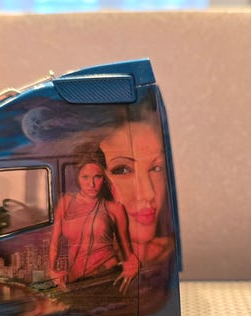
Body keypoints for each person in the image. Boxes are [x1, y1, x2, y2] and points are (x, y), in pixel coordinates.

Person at [49, 156, 138, 293]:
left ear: (104, 179)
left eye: (97, 177)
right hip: (76, 278)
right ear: (78, 179)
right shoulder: (65, 203)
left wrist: (134, 264)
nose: (91, 184)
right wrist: (52, 270)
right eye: (85, 177)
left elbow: (127, 249)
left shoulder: (115, 208)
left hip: (108, 275)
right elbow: (54, 242)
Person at [99, 121, 174, 267]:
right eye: (122, 170)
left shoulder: (171, 255)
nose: (149, 194)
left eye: (156, 168)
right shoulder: (87, 268)